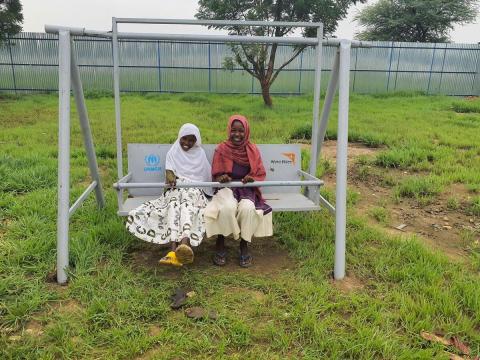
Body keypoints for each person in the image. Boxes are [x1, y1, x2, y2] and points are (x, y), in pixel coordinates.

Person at [126, 123, 211, 266]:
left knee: (187, 206)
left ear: (196, 141)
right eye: (184, 139)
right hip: (176, 189)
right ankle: (173, 250)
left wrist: (193, 187)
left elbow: (205, 176)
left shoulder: (200, 153)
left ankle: (185, 243)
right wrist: (170, 177)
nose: (187, 143)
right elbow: (169, 171)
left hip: (194, 189)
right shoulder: (174, 151)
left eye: (191, 140)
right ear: (180, 137)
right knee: (173, 206)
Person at [205, 115, 273, 268]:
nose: (237, 134)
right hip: (226, 188)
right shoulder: (222, 148)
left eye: (241, 131)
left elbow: (259, 173)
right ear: (229, 130)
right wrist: (221, 177)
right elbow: (216, 174)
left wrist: (251, 178)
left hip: (246, 189)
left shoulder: (252, 149)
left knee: (248, 208)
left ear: (246, 131)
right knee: (227, 207)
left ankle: (244, 244)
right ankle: (221, 240)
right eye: (234, 130)